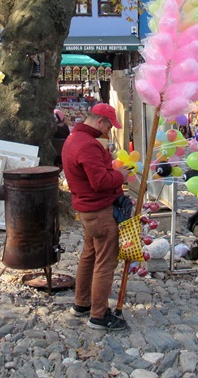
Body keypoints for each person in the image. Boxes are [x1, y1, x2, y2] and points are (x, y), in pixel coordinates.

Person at [62, 103, 130, 331]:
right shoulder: (88, 145)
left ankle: (81, 303)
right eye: (109, 126)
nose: (108, 131)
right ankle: (99, 315)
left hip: (88, 210)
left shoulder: (74, 139)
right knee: (104, 262)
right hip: (99, 211)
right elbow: (99, 182)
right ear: (100, 121)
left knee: (89, 256)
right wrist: (120, 175)